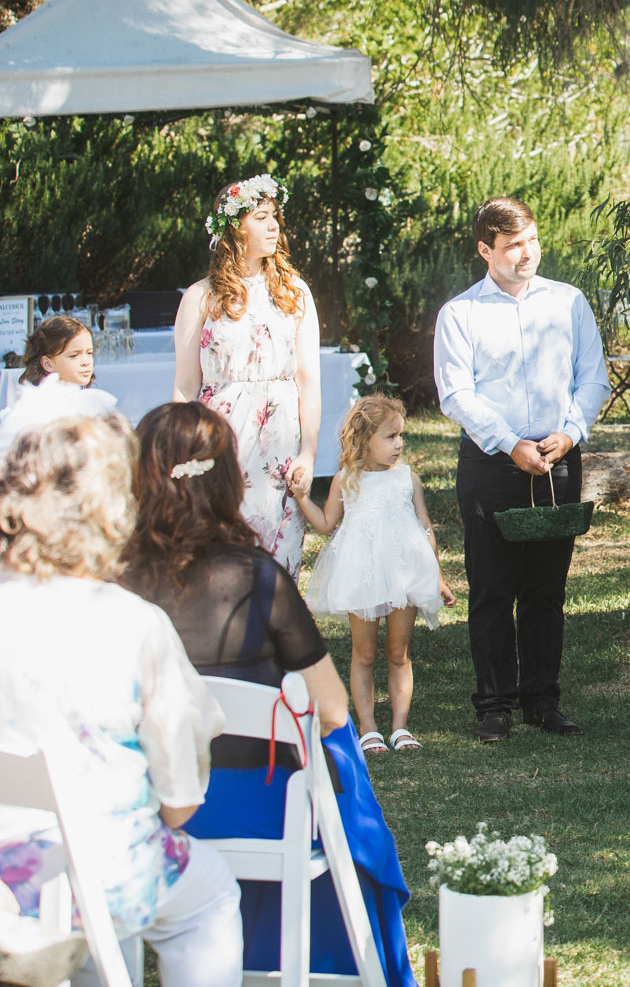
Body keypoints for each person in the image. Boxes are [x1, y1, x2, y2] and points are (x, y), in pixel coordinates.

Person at [121, 403, 417, 987]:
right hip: (258, 810)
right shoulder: (256, 577)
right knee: (338, 761)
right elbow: (333, 710)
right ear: (229, 477)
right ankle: (330, 950)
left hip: (143, 810)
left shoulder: (112, 581)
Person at [0, 416, 241, 987]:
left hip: (8, 883)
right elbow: (181, 798)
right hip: (103, 871)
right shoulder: (132, 622)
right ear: (111, 509)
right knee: (207, 898)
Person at [435, 197, 609, 743]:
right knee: (492, 587)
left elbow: (593, 377)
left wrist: (571, 432)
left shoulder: (569, 301)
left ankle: (542, 699)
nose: (526, 253)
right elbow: (456, 394)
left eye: (531, 241)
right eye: (512, 246)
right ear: (485, 249)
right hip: (492, 461)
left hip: (558, 456)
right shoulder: (460, 314)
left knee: (546, 588)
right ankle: (493, 705)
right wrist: (510, 444)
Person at [171, 175, 321, 573]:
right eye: (261, 217)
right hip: (221, 436)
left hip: (280, 435)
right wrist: (182, 455)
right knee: (221, 545)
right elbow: (185, 385)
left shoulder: (295, 292)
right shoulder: (200, 296)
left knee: (278, 551)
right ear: (234, 227)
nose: (274, 226)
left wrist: (308, 452)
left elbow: (308, 379)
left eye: (275, 217)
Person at [294, 395, 453, 752]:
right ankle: (368, 727)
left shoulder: (406, 478)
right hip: (363, 574)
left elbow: (425, 527)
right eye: (390, 437)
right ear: (365, 439)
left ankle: (400, 727)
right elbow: (325, 523)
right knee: (363, 653)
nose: (399, 444)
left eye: (401, 436)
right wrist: (303, 498)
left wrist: (437, 576)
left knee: (399, 652)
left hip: (405, 573)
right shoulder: (346, 479)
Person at [0, 315, 119, 455]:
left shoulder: (92, 402)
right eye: (74, 355)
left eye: (89, 353)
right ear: (48, 364)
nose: (86, 361)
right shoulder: (38, 410)